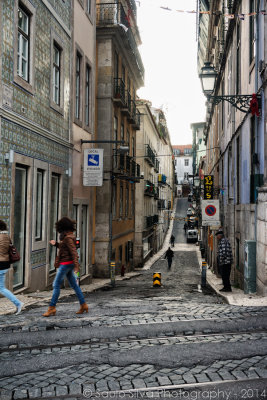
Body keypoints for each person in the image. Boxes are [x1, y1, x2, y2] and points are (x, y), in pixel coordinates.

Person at [43, 217, 88, 317]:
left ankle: (51, 308)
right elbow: (66, 249)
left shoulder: (67, 238)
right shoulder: (69, 237)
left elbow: (73, 251)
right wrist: (56, 244)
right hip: (68, 263)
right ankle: (83, 305)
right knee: (74, 285)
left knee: (56, 284)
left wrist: (77, 266)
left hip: (66, 264)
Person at [0, 220, 24, 314]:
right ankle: (18, 303)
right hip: (4, 263)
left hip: (0, 263)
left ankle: (18, 303)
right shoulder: (6, 236)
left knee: (1, 288)